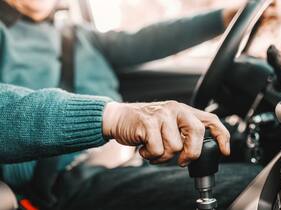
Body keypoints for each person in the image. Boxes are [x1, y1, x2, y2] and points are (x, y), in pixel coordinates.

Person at [0, 1, 261, 209]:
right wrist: (112, 117)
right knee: (256, 188)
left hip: (134, 155)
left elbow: (150, 39)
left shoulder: (77, 34)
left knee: (257, 152)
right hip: (67, 180)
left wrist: (224, 17)